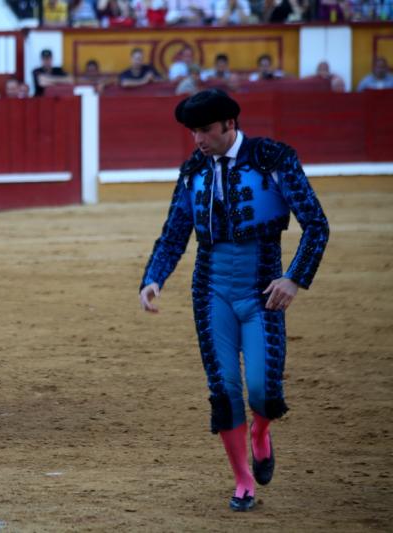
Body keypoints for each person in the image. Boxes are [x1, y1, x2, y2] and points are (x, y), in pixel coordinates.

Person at [138, 89, 329, 512]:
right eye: (192, 132)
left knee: (262, 388)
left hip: (263, 292)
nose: (198, 140)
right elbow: (174, 233)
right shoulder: (193, 171)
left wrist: (294, 278)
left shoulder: (273, 159)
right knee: (223, 390)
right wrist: (153, 278)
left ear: (229, 124)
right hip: (210, 292)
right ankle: (243, 479)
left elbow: (316, 225)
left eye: (205, 130)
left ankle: (261, 434)